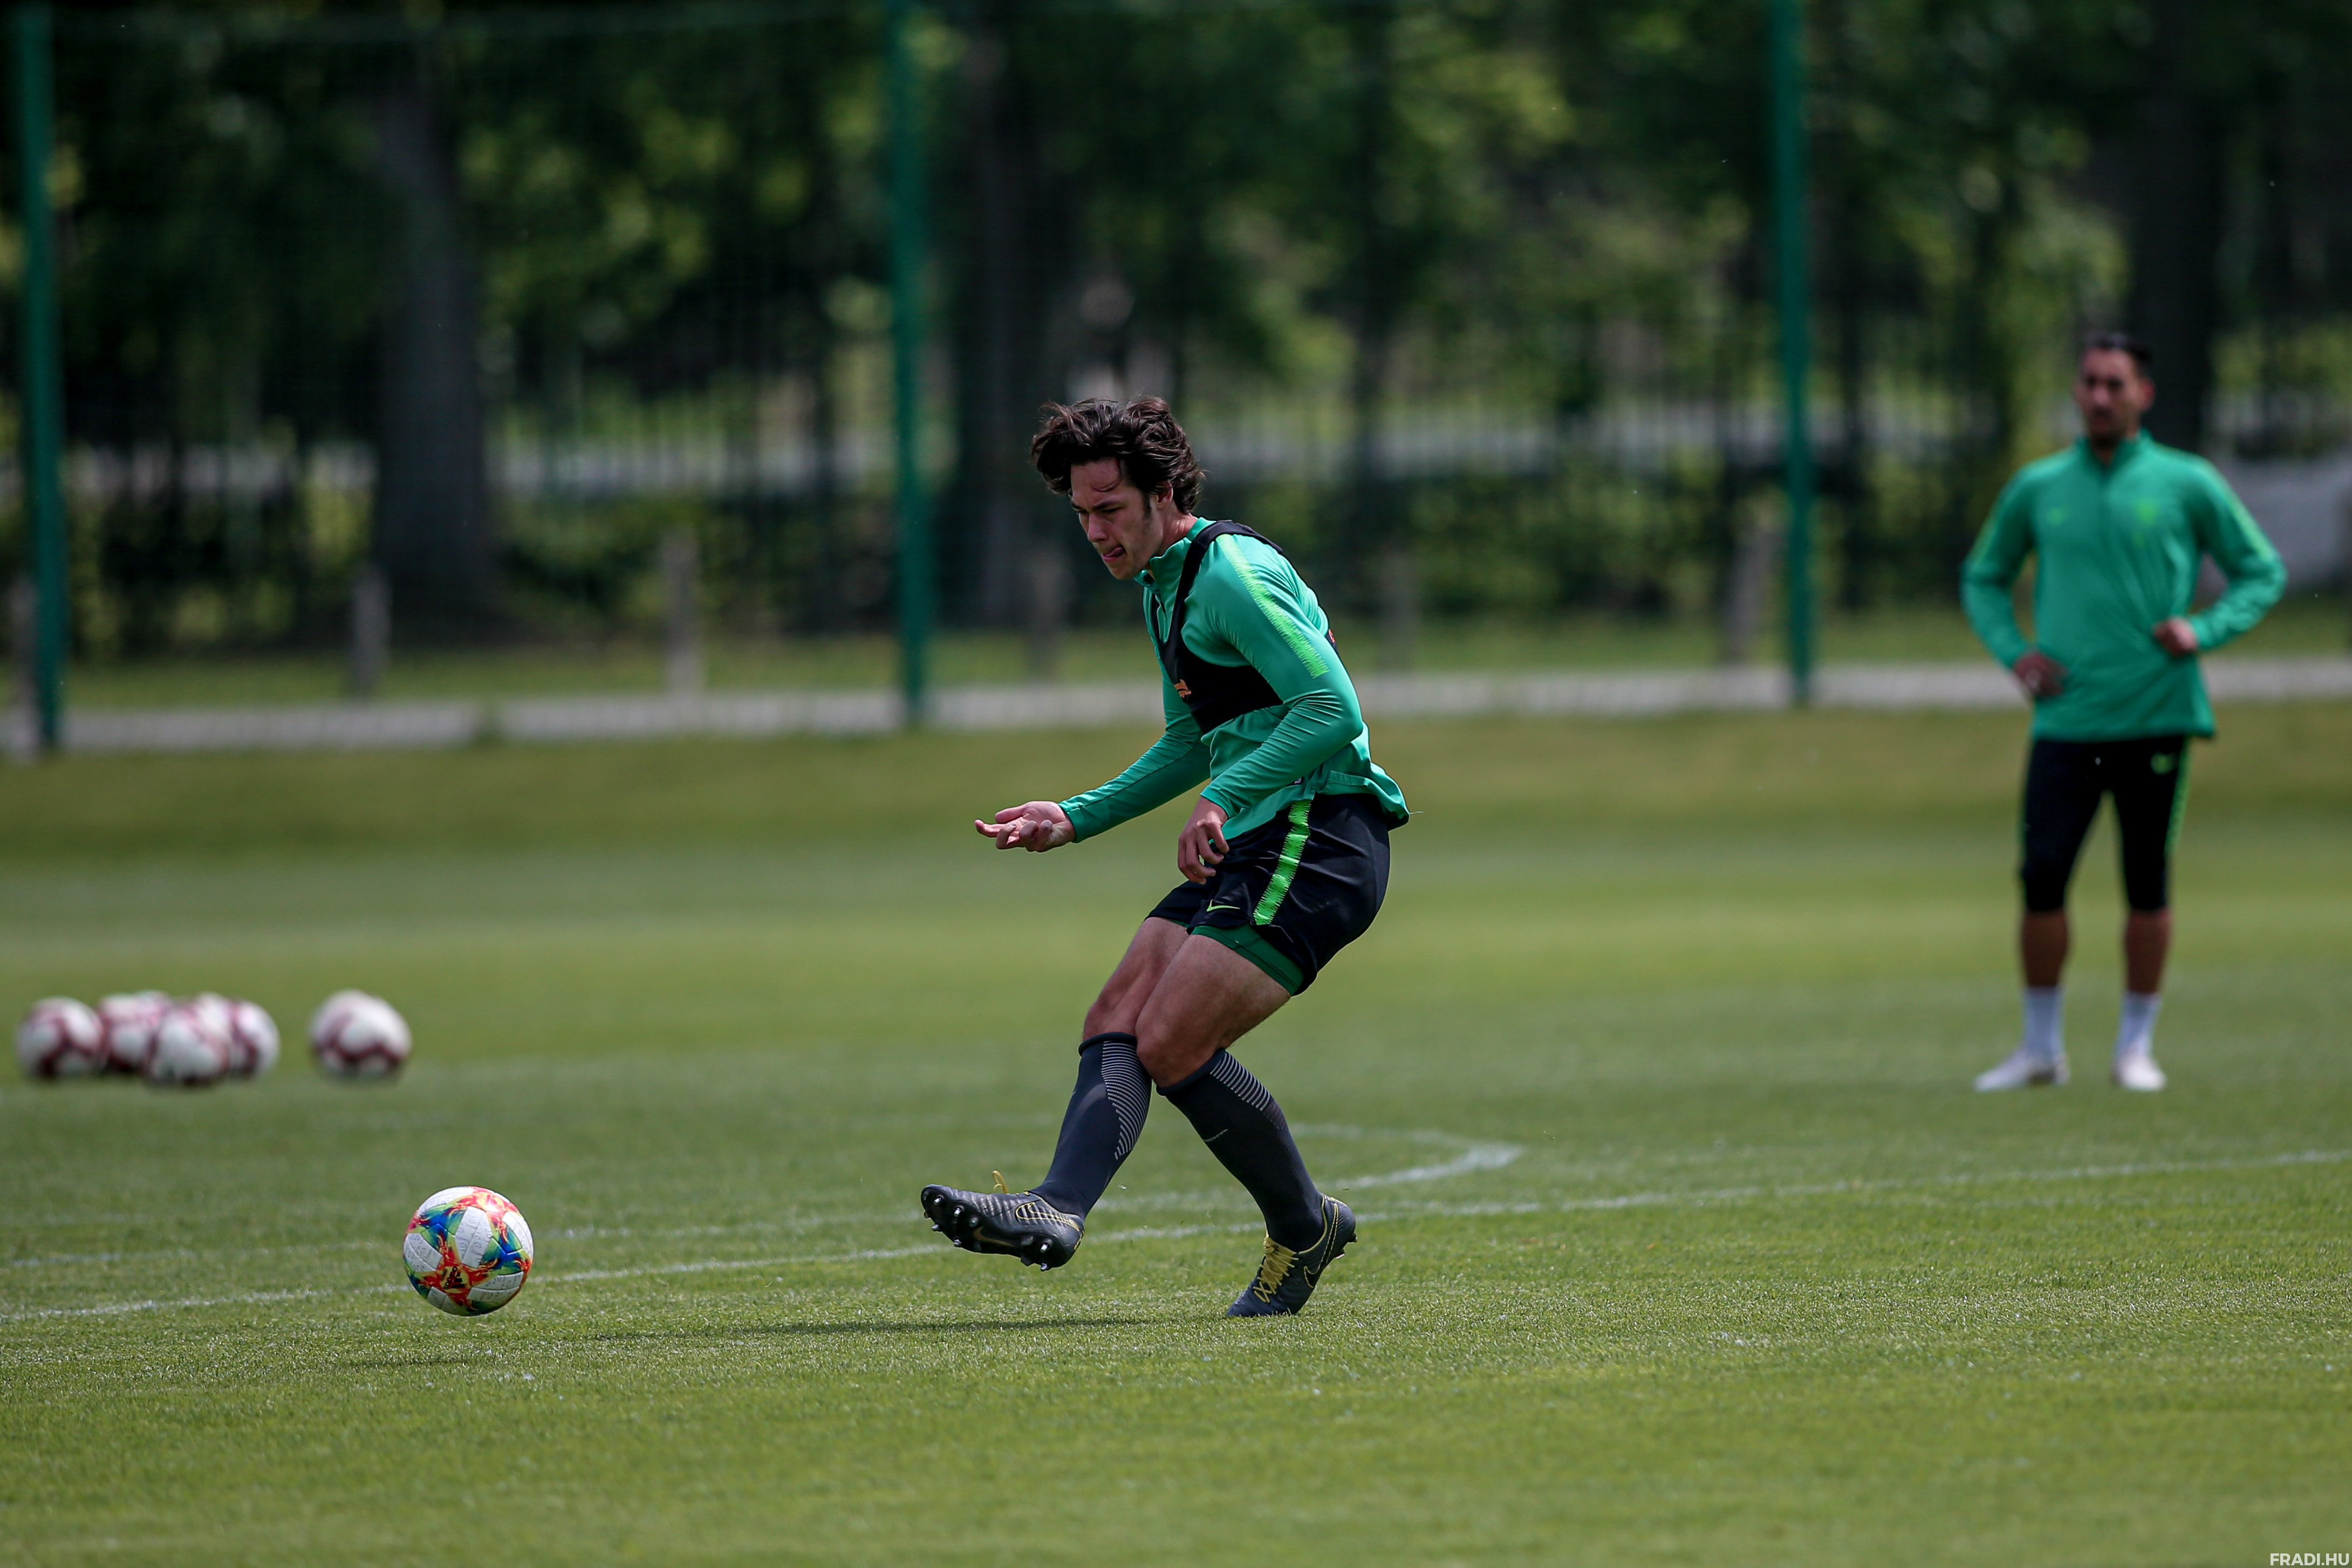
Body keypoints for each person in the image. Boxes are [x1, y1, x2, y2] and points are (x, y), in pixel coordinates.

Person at [919, 396, 1410, 1316]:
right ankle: (1058, 1207)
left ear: (1164, 492)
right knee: (1119, 1012)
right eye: (1081, 514)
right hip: (1261, 834)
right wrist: (1076, 816)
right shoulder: (1164, 585)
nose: (1095, 532)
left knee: (1173, 1038)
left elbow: (1331, 708)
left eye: (1110, 509)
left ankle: (1302, 1226)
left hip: (1320, 835)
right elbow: (1193, 740)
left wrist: (1223, 796)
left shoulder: (1229, 573)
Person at [1961, 332, 2284, 1093]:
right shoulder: (2039, 487)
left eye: (2115, 384)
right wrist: (2015, 652)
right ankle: (2041, 1049)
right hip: (2067, 720)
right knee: (2042, 877)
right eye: (2089, 383)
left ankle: (2135, 1048)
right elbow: (1984, 577)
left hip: (2156, 713)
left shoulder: (2186, 482)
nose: (2099, 397)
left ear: (2144, 393)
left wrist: (2204, 630)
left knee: (2146, 880)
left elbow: (2261, 571)